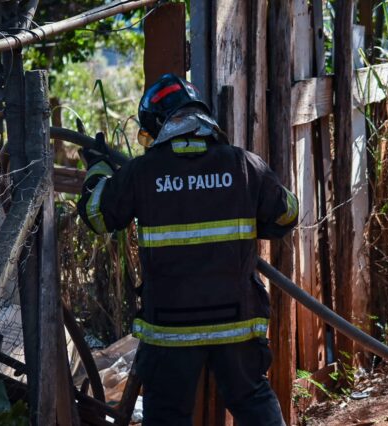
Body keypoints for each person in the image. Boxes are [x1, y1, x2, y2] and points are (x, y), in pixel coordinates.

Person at [78, 74, 298, 426]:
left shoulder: (142, 172)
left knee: (167, 415)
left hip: (170, 330)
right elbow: (287, 214)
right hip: (236, 322)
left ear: (158, 126)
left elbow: (97, 216)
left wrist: (98, 169)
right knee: (252, 399)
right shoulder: (244, 165)